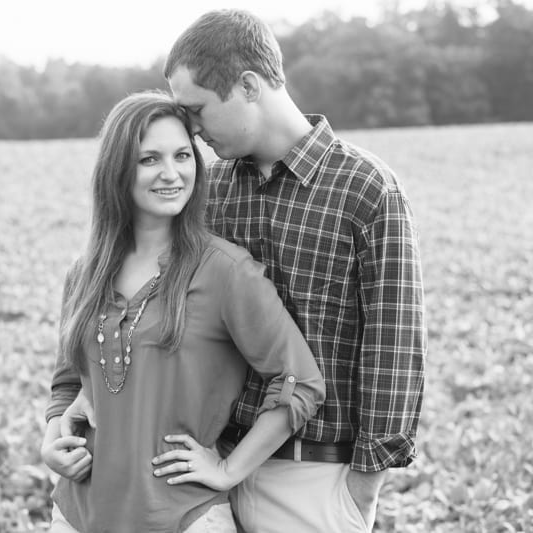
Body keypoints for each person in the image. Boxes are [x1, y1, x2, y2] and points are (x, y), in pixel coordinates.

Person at [50, 9, 426, 533]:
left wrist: (365, 485)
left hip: (311, 471)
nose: (193, 131)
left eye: (197, 111)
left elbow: (394, 349)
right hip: (202, 463)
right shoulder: (211, 186)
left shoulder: (365, 190)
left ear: (248, 86)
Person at [40, 90, 325, 533]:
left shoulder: (226, 271)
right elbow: (67, 383)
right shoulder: (86, 273)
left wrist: (229, 470)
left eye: (182, 155)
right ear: (117, 170)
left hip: (182, 517)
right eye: (149, 159)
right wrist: (52, 436)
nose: (171, 173)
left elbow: (300, 382)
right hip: (78, 515)